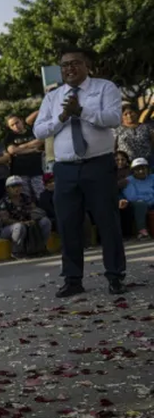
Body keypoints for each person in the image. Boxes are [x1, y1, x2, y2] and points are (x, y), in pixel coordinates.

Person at [33, 47, 126, 298]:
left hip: (98, 165)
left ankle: (115, 276)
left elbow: (114, 118)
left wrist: (82, 111)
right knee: (68, 225)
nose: (69, 68)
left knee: (107, 222)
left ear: (87, 66)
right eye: (64, 65)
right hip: (65, 169)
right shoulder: (53, 98)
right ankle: (73, 279)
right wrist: (62, 117)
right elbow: (38, 131)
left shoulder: (104, 88)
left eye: (75, 63)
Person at [0, 177, 52, 257]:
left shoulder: (26, 198)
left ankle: (41, 248)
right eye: (13, 186)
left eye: (19, 186)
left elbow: (35, 210)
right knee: (19, 227)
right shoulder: (4, 201)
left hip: (27, 223)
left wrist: (34, 219)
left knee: (45, 222)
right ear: (7, 188)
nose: (17, 188)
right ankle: (17, 252)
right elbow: (5, 220)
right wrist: (22, 223)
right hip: (9, 228)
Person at [5, 114, 46, 198]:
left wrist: (21, 147)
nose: (16, 126)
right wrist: (32, 150)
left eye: (17, 122)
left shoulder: (33, 131)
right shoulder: (10, 137)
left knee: (41, 195)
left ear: (21, 121)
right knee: (25, 197)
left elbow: (40, 141)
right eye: (12, 125)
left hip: (37, 170)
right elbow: (12, 150)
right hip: (20, 172)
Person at [120, 157, 154, 239]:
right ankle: (141, 231)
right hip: (136, 203)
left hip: (152, 201)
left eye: (143, 168)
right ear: (133, 171)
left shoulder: (152, 177)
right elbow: (132, 197)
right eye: (138, 169)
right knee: (140, 203)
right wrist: (149, 198)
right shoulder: (129, 180)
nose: (141, 171)